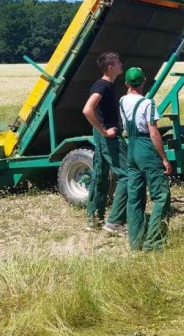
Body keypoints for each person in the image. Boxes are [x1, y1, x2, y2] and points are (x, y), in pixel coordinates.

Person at [121, 67, 173, 252]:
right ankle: (154, 242)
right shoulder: (148, 103)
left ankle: (135, 242)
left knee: (134, 198)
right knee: (161, 195)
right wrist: (164, 159)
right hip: (145, 147)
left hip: (131, 147)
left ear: (126, 83)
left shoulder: (122, 101)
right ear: (144, 81)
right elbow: (154, 133)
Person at [82, 51, 128, 234]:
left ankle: (94, 219)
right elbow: (87, 109)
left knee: (100, 176)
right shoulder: (103, 86)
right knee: (126, 175)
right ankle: (114, 222)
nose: (121, 65)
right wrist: (103, 130)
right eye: (118, 63)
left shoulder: (106, 85)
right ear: (110, 68)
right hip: (107, 136)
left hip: (102, 135)